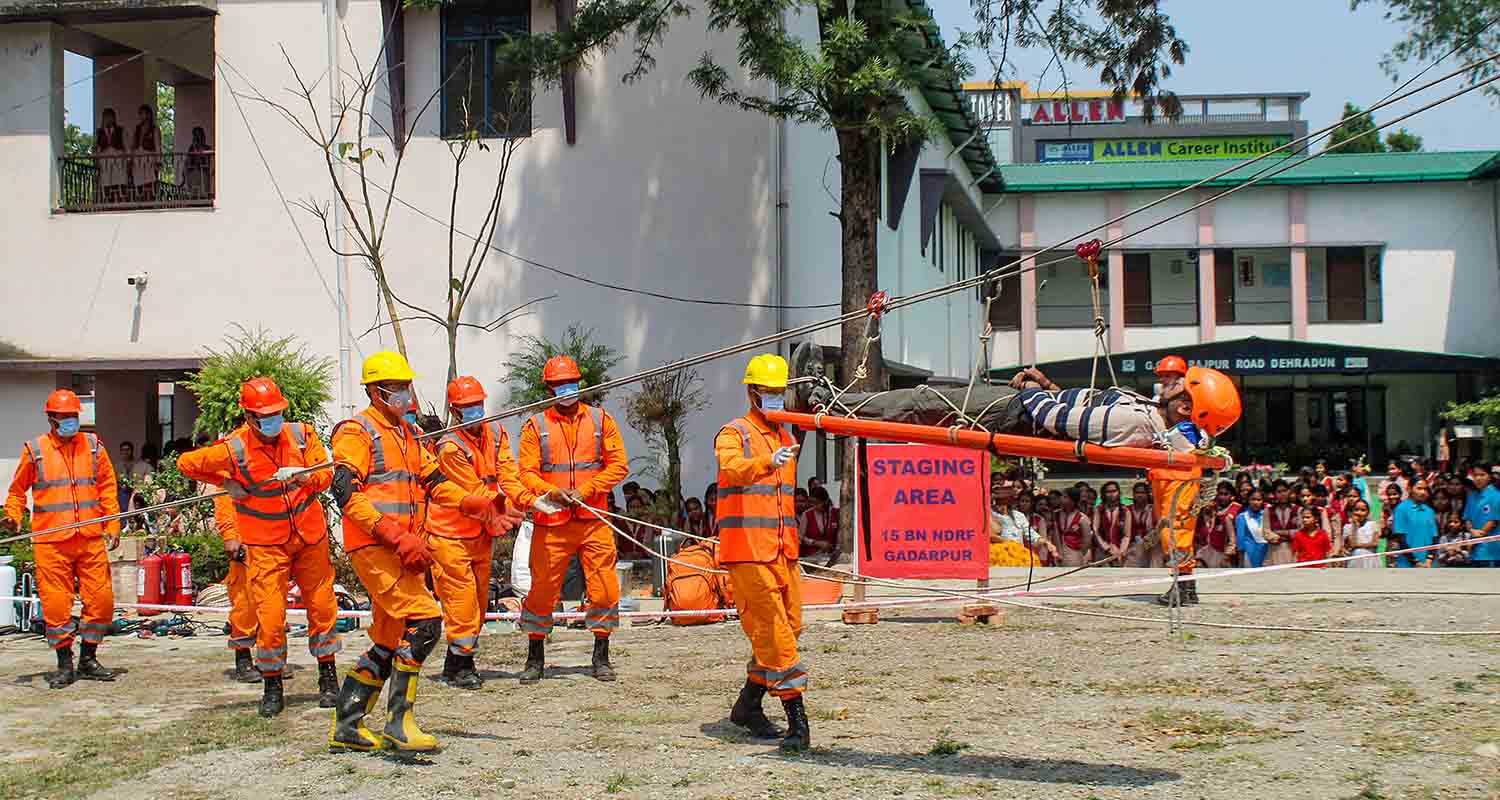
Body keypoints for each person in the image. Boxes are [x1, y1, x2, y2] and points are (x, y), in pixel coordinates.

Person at [177, 377, 343, 717]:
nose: (272, 420)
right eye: (264, 415)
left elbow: (326, 473)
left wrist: (305, 476)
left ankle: (328, 679)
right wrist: (225, 481)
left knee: (323, 608)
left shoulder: (301, 434)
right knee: (269, 616)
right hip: (266, 544)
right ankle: (272, 685)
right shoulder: (234, 448)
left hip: (309, 536)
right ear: (249, 416)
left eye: (276, 413)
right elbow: (186, 464)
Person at [327, 351, 444, 753]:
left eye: (406, 386)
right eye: (396, 387)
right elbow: (344, 492)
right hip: (377, 545)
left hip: (404, 549)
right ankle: (399, 723)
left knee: (390, 637)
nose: (405, 394)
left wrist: (480, 505)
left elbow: (435, 480)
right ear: (376, 392)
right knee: (426, 622)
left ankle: (348, 725)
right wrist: (394, 535)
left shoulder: (406, 433)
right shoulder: (357, 432)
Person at [514, 355, 630, 683]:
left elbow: (619, 465)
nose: (568, 389)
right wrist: (552, 492)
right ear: (550, 389)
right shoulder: (536, 426)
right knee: (541, 591)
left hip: (593, 518)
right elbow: (526, 472)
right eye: (561, 385)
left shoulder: (600, 419)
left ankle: (601, 654)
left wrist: (588, 489)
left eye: (572, 383)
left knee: (605, 588)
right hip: (553, 521)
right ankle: (535, 656)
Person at [715, 354, 810, 752]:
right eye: (768, 392)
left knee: (790, 625)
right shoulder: (733, 432)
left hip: (782, 550)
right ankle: (797, 719)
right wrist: (764, 463)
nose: (774, 397)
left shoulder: (787, 435)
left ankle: (748, 705)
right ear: (752, 392)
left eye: (779, 392)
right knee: (774, 631)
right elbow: (731, 467)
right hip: (748, 553)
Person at [1, 390, 120, 688]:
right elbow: (17, 492)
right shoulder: (36, 450)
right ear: (52, 419)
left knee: (102, 602)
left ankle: (89, 658)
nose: (71, 422)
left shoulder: (93, 447)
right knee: (56, 606)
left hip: (90, 537)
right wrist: (13, 516)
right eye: (65, 417)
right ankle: (65, 664)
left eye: (74, 417)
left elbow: (107, 486)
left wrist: (113, 524)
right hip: (51, 541)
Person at [422, 376, 526, 690]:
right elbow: (474, 491)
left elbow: (509, 473)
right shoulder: (449, 446)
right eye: (467, 407)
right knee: (462, 604)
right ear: (454, 411)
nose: (474, 411)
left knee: (479, 605)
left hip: (480, 535)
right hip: (449, 535)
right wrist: (512, 508)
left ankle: (454, 665)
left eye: (477, 405)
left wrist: (529, 499)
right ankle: (464, 666)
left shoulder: (495, 432)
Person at [1392, 480, 1439, 568]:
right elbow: (1401, 539)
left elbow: (1435, 538)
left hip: (1429, 565)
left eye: (1425, 489)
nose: (1423, 492)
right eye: (1419, 488)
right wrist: (1415, 562)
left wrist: (1429, 559)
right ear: (1409, 489)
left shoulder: (1430, 511)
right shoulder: (1401, 509)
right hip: (1408, 564)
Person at [1463, 464, 1500, 567]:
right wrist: (1471, 530)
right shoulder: (1471, 496)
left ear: (1489, 476)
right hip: (1475, 552)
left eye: (1482, 475)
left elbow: (1493, 521)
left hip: (1492, 553)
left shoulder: (1496, 495)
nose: (1478, 478)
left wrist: (1477, 536)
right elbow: (1467, 519)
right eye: (1475, 475)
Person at [1051, 487, 1093, 567]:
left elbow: (1087, 540)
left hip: (1074, 554)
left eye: (1065, 497)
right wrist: (1058, 551)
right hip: (1057, 553)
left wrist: (1080, 553)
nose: (1061, 498)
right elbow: (1055, 534)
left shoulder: (1082, 518)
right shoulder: (1056, 514)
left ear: (1073, 501)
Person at [94, 108, 128, 203]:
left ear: (114, 118)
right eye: (106, 117)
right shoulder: (99, 132)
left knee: (119, 181)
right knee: (106, 182)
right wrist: (97, 160)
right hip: (105, 161)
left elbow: (126, 146)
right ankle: (107, 202)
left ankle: (120, 202)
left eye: (110, 117)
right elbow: (97, 148)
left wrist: (128, 160)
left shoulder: (121, 130)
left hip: (118, 159)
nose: (108, 119)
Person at [1264, 480, 1299, 567]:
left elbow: (1301, 531)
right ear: (1274, 494)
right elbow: (1266, 531)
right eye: (1279, 492)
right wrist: (1274, 536)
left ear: (1289, 491)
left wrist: (1281, 532)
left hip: (1294, 550)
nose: (1282, 494)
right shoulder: (1268, 511)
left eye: (1284, 491)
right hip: (1275, 550)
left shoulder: (1298, 509)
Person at [1092, 481, 1128, 565]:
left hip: (1119, 551)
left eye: (1114, 491)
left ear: (1119, 492)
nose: (1111, 494)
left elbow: (1127, 535)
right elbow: (1095, 531)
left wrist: (1121, 552)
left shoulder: (1125, 510)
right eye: (1108, 492)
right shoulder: (1098, 509)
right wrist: (1107, 548)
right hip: (1102, 550)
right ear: (1104, 494)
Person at [1125, 482, 1159, 568]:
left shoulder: (1154, 509)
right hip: (1132, 547)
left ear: (1147, 494)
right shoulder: (1127, 509)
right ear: (1133, 494)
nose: (1140, 495)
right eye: (1137, 492)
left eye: (1143, 492)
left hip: (1150, 546)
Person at [798, 486, 837, 557]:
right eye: (812, 502)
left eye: (817, 503)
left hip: (830, 556)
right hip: (811, 556)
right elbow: (800, 537)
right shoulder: (807, 514)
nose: (814, 506)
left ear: (825, 501)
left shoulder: (836, 513)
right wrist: (816, 543)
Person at [131, 103, 160, 201]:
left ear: (149, 115)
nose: (141, 116)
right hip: (138, 159)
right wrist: (131, 159)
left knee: (149, 182)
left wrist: (158, 161)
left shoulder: (154, 129)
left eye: (143, 113)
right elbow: (133, 145)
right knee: (139, 183)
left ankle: (149, 202)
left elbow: (157, 146)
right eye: (140, 114)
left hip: (149, 158)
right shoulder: (137, 129)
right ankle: (141, 202)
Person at [1235, 489, 1269, 568]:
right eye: (1253, 499)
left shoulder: (1267, 515)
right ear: (1248, 500)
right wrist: (1240, 561)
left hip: (1266, 553)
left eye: (1259, 500)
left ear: (1263, 501)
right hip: (1249, 554)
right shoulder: (1242, 517)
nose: (1255, 502)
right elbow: (1240, 541)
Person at [1342, 499, 1380, 568]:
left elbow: (1375, 543)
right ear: (1352, 511)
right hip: (1355, 560)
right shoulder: (1347, 527)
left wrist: (1358, 545)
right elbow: (1352, 544)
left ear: (1368, 512)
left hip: (1370, 559)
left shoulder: (1373, 524)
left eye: (1363, 510)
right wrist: (1354, 526)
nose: (1359, 513)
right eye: (1356, 509)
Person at [185, 126, 212, 199]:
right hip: (193, 173)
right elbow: (188, 161)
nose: (197, 137)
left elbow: (208, 162)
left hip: (203, 173)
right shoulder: (191, 147)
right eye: (195, 135)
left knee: (203, 192)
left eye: (198, 135)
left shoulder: (207, 148)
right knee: (194, 193)